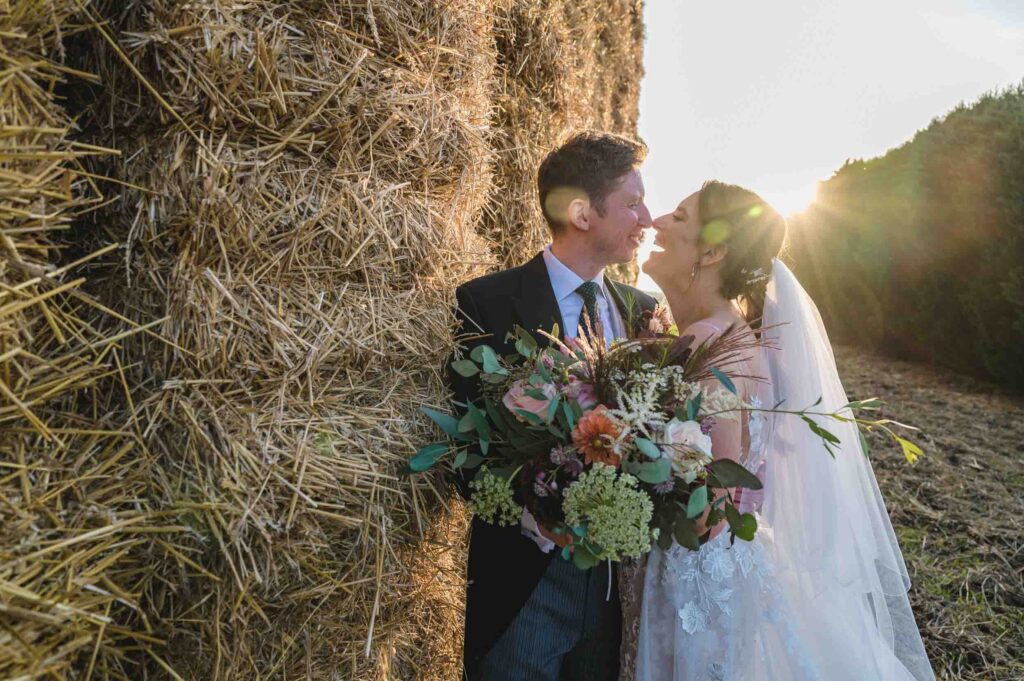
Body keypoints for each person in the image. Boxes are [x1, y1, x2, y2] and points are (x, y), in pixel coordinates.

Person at [621, 180, 935, 681]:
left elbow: (710, 507)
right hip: (735, 561)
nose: (657, 221)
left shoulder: (709, 347)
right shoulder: (737, 336)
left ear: (714, 249)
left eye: (678, 218)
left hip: (695, 586)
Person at [450, 131, 658, 680]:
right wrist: (534, 514)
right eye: (633, 203)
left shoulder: (645, 314)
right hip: (525, 584)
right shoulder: (486, 303)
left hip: (617, 591)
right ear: (582, 213)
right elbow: (463, 448)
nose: (648, 217)